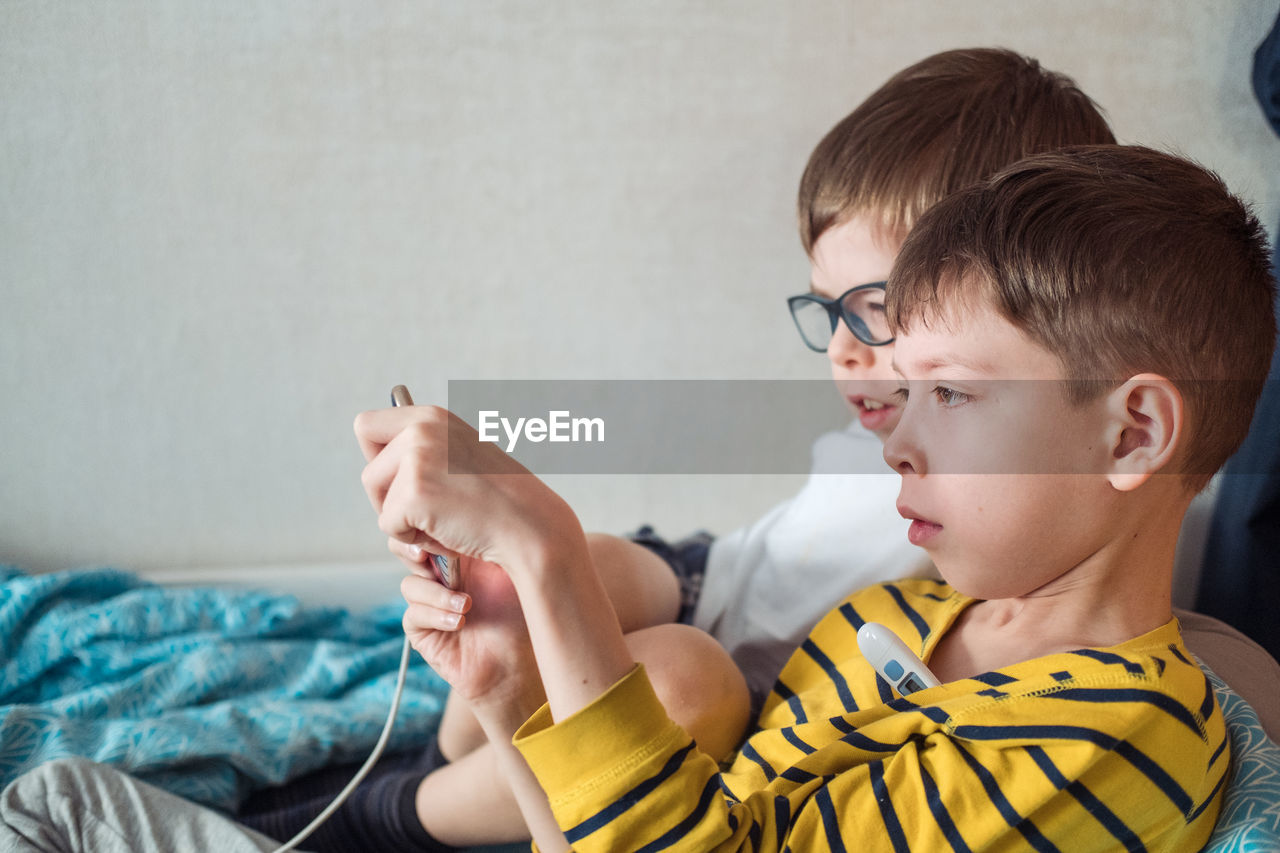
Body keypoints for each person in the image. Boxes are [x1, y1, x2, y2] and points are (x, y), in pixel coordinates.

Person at [0, 145, 1270, 853]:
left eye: (950, 394)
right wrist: (505, 700)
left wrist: (549, 556)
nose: (896, 442)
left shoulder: (1107, 739)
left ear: (1131, 430)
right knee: (51, 800)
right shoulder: (897, 611)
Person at [232, 48, 1116, 849]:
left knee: (685, 681)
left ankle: (392, 818)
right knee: (562, 576)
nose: (845, 350)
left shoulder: (1011, 506)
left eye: (875, 311)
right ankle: (435, 763)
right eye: (827, 309)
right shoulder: (894, 429)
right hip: (705, 578)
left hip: (752, 675)